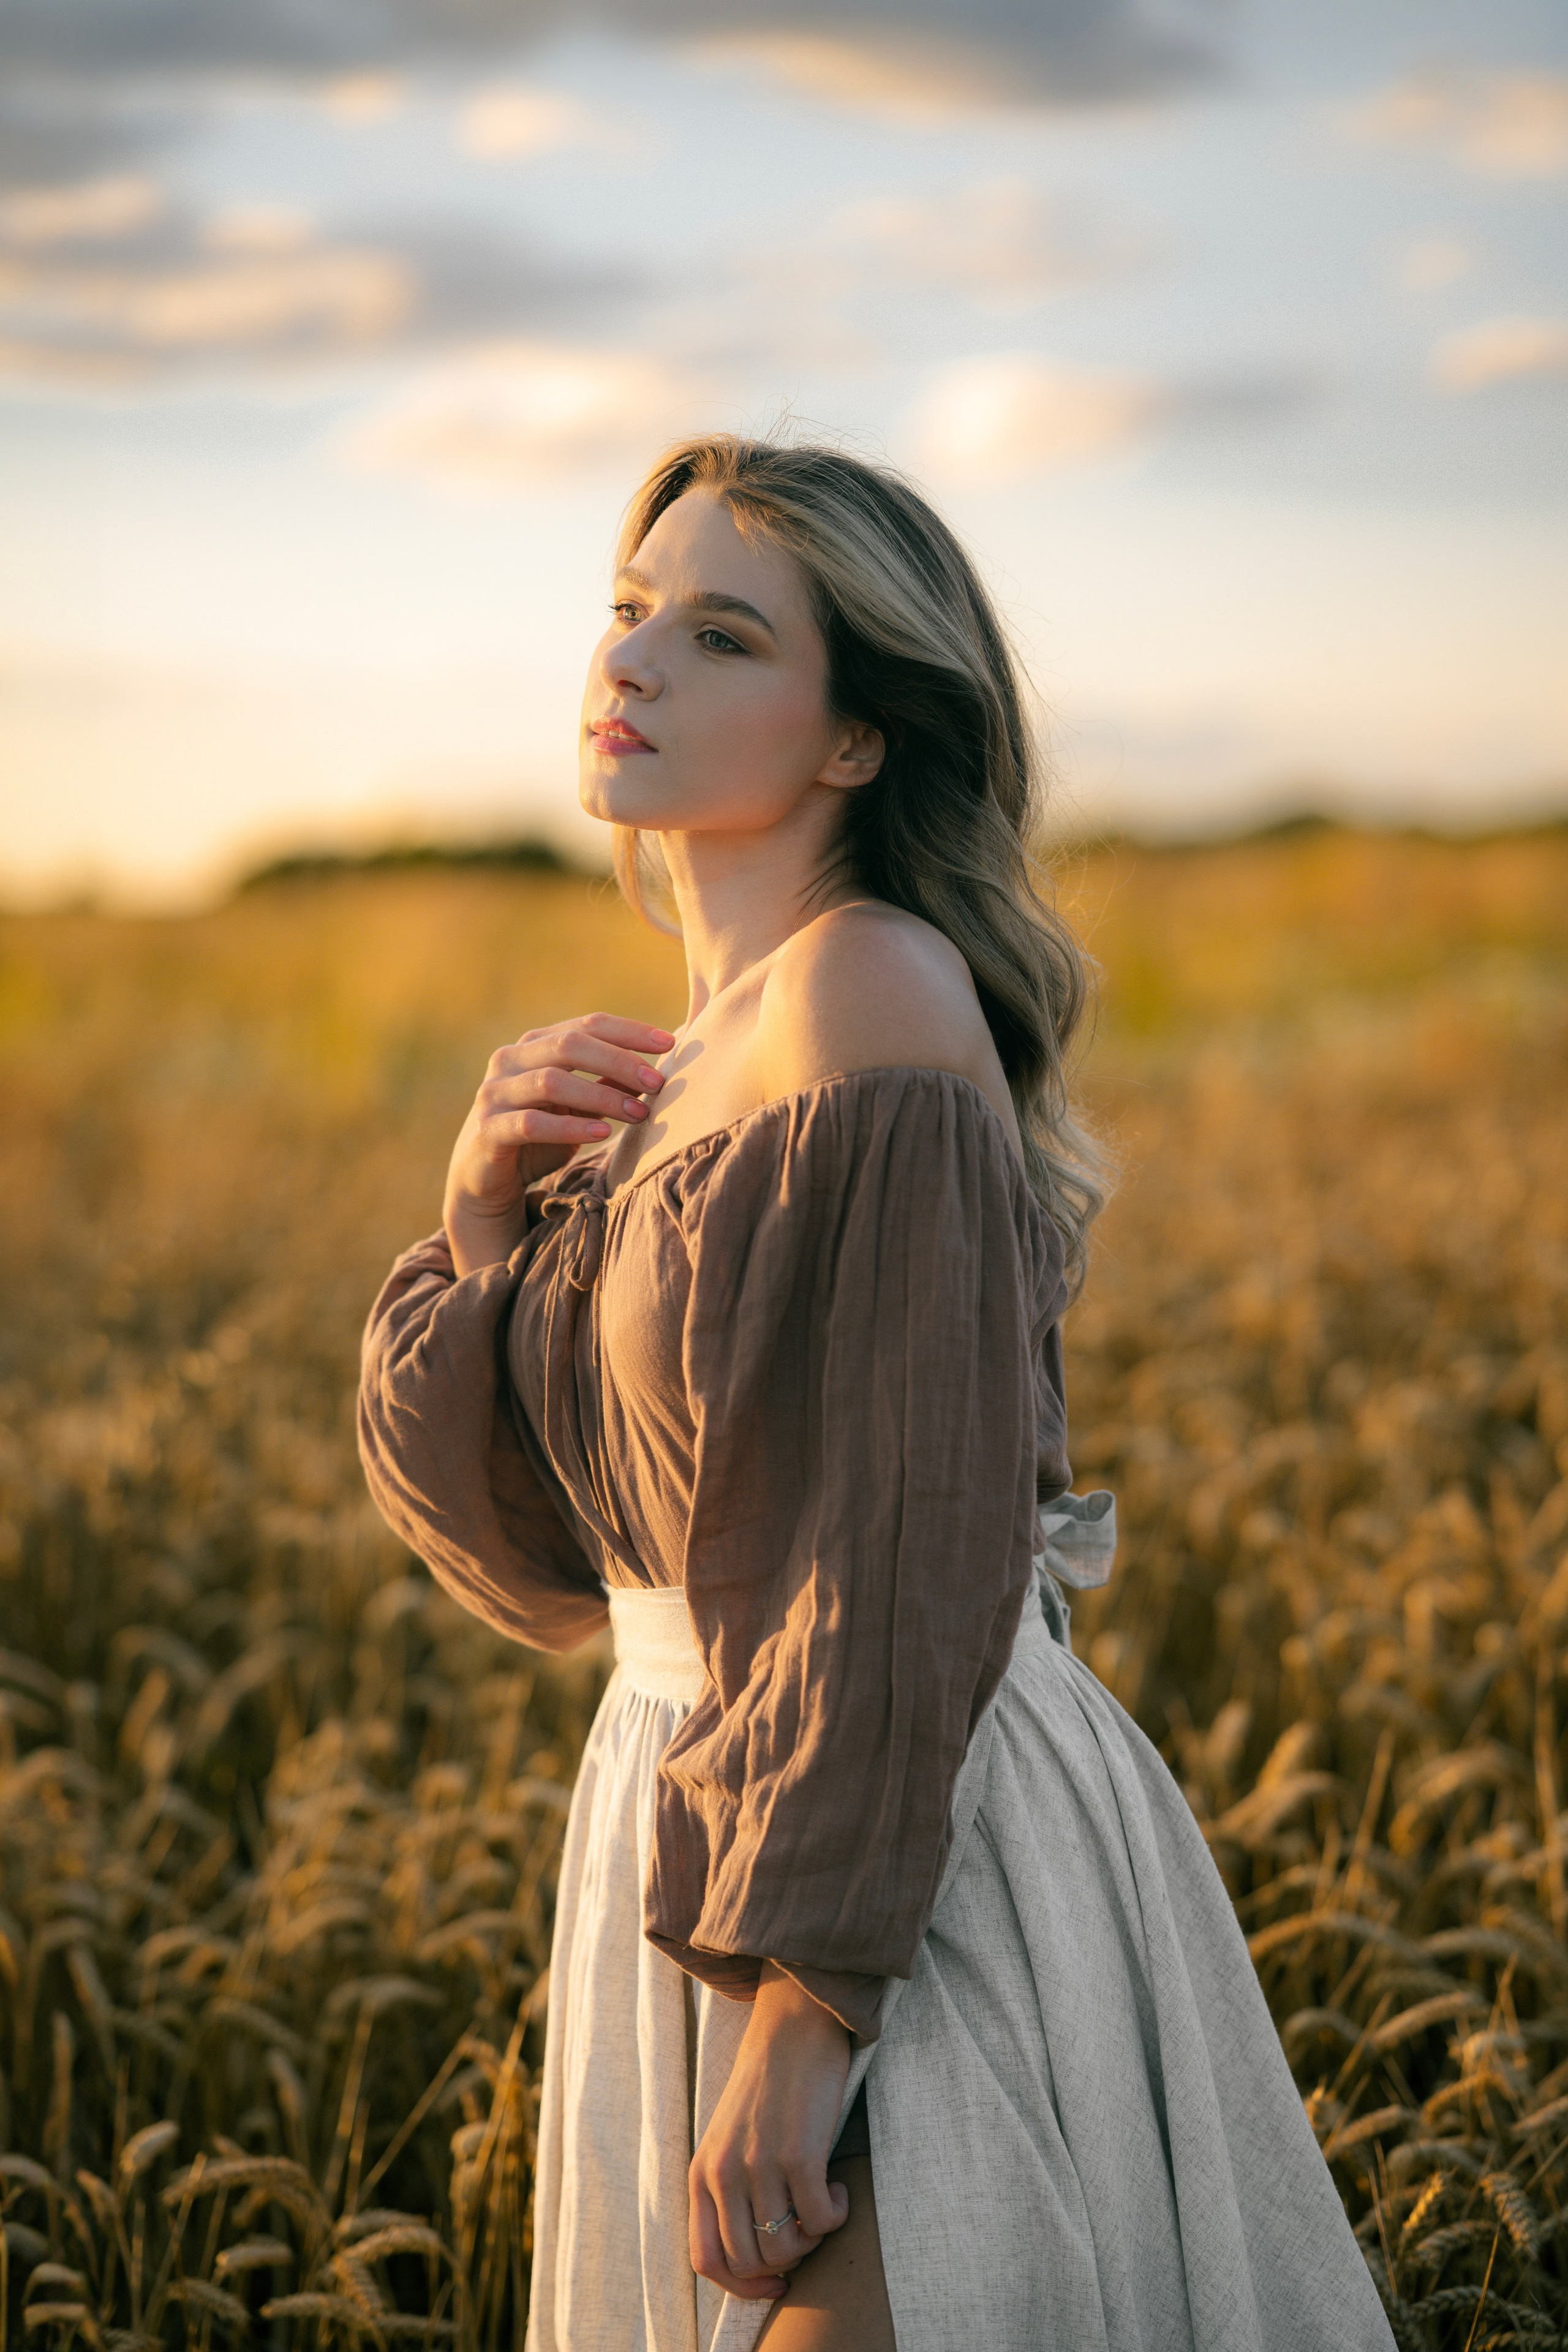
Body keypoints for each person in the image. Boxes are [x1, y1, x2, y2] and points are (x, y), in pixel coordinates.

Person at [358, 435, 1395, 2352]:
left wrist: (808, 2013)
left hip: (897, 1869)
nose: (636, 660)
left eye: (724, 633)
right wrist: (486, 1239)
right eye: (628, 609)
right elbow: (554, 1577)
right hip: (700, 1821)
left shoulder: (872, 993)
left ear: (855, 739)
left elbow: (903, 1549)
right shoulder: (682, 1069)